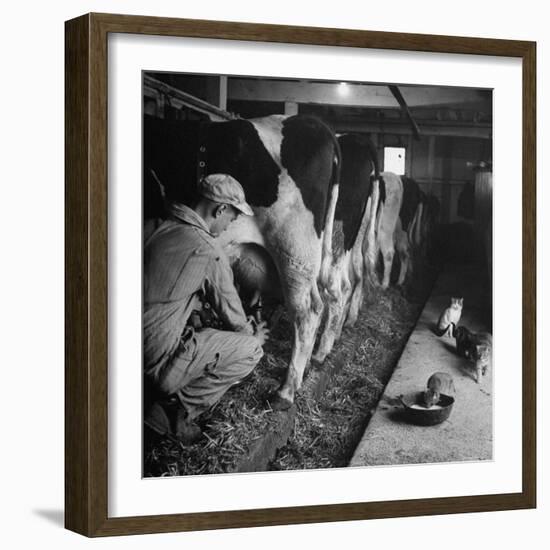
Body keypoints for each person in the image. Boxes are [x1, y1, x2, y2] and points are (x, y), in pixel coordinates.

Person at [143, 173, 269, 443]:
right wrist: (253, 335)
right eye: (232, 217)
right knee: (251, 350)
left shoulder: (153, 226)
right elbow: (234, 318)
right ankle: (174, 412)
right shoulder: (207, 249)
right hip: (152, 364)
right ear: (220, 209)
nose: (229, 225)